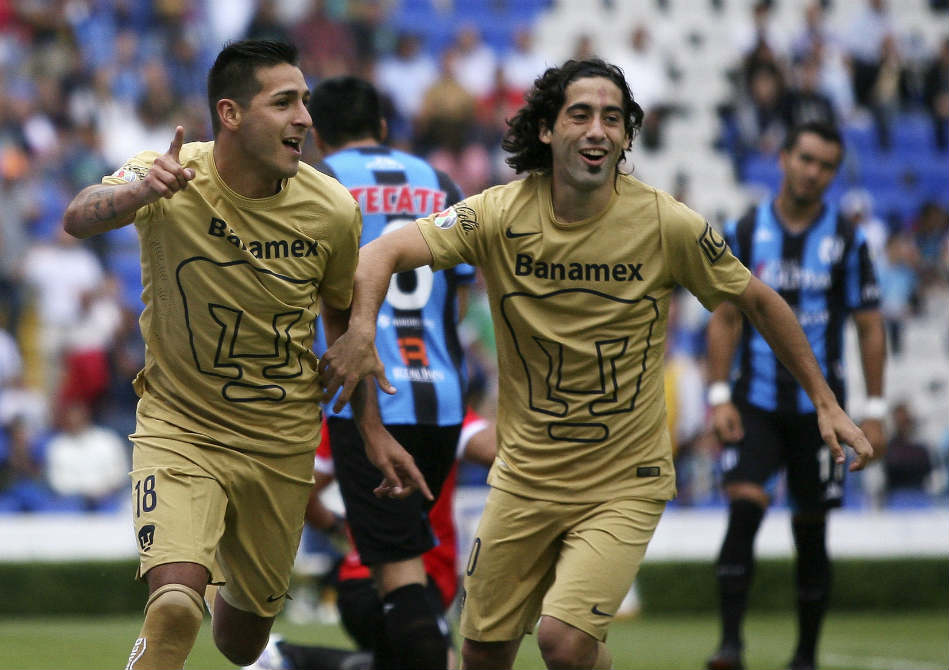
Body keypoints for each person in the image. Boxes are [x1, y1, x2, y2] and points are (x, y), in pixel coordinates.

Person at [318, 59, 875, 670]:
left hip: (622, 481)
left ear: (627, 136)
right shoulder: (498, 214)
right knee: (480, 653)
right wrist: (362, 329)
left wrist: (826, 400)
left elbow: (761, 301)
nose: (598, 129)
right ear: (549, 130)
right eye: (580, 114)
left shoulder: (666, 222)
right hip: (524, 477)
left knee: (561, 641)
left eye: (613, 118)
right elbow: (384, 250)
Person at [60, 39, 427, 670]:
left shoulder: (333, 209)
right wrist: (138, 193)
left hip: (281, 442)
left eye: (305, 103)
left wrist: (370, 428)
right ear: (230, 114)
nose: (305, 119)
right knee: (175, 606)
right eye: (284, 102)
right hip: (181, 426)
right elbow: (77, 217)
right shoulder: (165, 172)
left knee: (241, 642)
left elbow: (344, 324)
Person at [704, 121, 887, 670]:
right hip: (755, 402)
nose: (813, 172)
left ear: (834, 173)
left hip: (819, 413)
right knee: (743, 510)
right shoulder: (744, 228)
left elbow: (870, 326)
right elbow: (725, 316)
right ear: (783, 158)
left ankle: (804, 656)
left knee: (811, 530)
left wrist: (874, 410)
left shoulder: (848, 239)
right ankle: (730, 647)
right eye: (805, 158)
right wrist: (718, 395)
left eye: (826, 164)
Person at [305, 74, 474, 669]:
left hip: (366, 401)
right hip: (444, 400)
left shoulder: (318, 181)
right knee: (412, 574)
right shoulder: (443, 183)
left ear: (316, 133)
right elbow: (457, 294)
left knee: (401, 584)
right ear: (382, 127)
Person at [248, 408, 496, 670]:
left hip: (364, 576)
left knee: (407, 662)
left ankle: (286, 658)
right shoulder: (436, 399)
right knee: (431, 663)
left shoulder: (348, 411)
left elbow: (301, 490)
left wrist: (339, 530)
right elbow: (495, 450)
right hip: (402, 575)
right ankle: (293, 659)